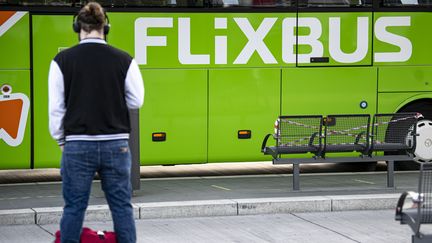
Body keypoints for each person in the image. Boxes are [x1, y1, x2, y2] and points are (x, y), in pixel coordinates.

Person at [48, 2, 144, 243]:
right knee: (122, 207)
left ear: (77, 27)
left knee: (74, 208)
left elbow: (56, 109)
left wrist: (62, 140)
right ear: (106, 27)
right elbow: (137, 100)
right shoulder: (124, 59)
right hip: (116, 145)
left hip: (77, 145)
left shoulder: (61, 60)